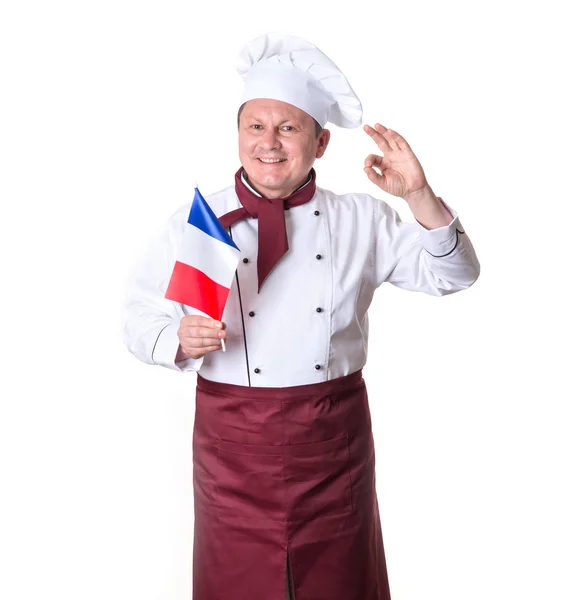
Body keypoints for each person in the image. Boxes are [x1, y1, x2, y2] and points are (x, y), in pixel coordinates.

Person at [123, 32, 480, 600]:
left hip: (332, 446)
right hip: (231, 448)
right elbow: (140, 317)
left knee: (340, 585)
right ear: (238, 135)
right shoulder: (202, 220)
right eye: (255, 127)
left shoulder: (361, 219)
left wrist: (419, 197)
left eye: (288, 128)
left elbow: (454, 274)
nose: (270, 143)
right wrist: (178, 338)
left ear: (320, 144)